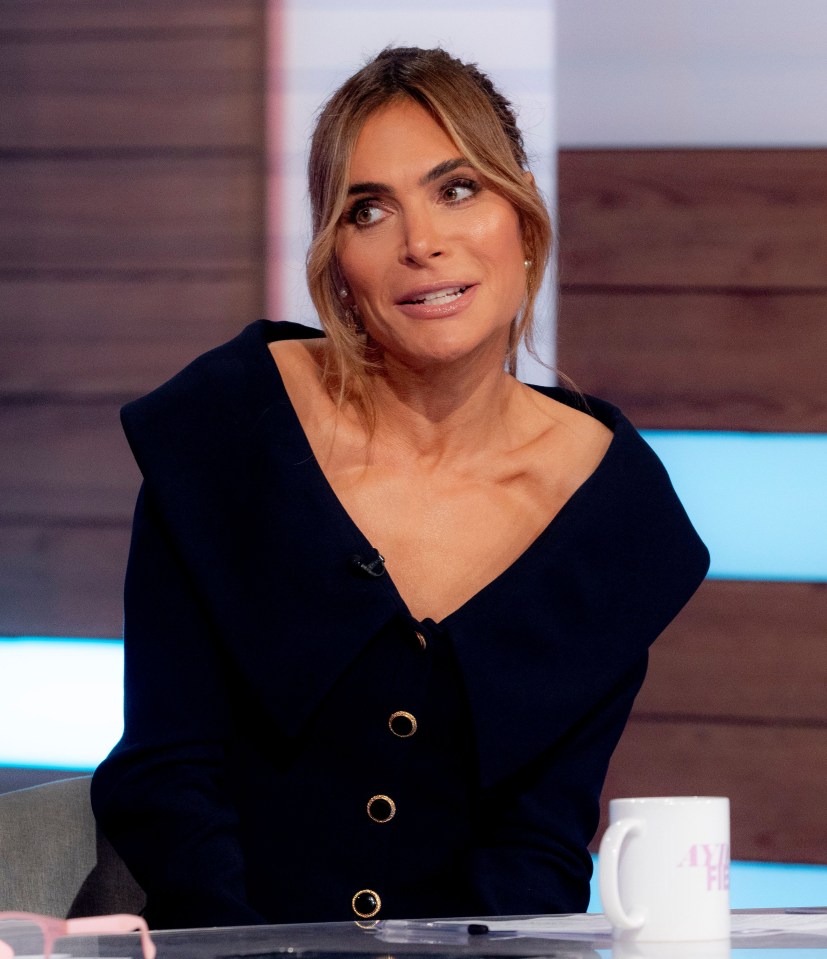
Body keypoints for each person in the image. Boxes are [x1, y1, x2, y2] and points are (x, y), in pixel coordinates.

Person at [91, 47, 709, 929]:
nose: (421, 242)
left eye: (457, 189)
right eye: (368, 210)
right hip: (211, 941)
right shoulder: (224, 433)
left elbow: (535, 846)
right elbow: (166, 776)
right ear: (338, 264)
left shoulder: (612, 516)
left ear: (523, 220)